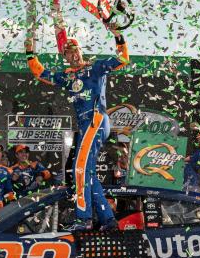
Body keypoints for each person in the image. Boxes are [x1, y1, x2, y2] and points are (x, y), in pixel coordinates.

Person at [27, 23, 128, 231]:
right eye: (66, 53)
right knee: (88, 173)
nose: (71, 55)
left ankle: (84, 219)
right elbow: (41, 73)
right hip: (84, 126)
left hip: (96, 119)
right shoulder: (67, 76)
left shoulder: (95, 67)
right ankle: (108, 220)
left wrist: (118, 34)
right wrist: (30, 53)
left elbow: (123, 58)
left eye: (74, 50)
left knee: (78, 168)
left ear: (80, 51)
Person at [183, 125, 200, 191]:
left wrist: (185, 159)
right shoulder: (199, 148)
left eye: (199, 138)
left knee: (191, 176)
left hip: (195, 167)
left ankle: (191, 189)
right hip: (196, 167)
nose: (197, 139)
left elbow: (193, 158)